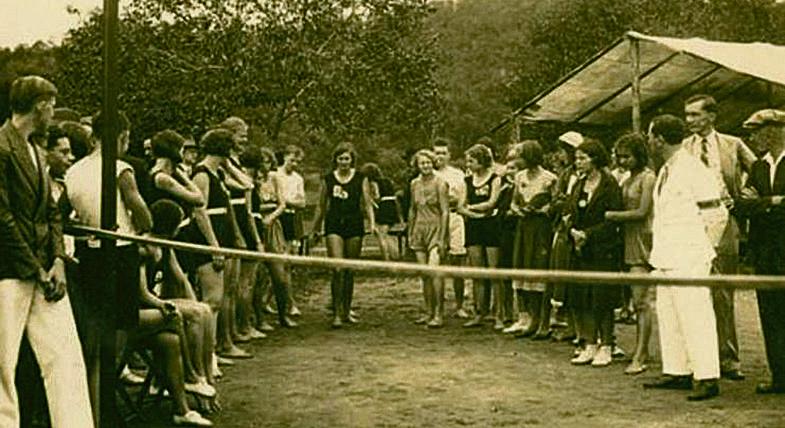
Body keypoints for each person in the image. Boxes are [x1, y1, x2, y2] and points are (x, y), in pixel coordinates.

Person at [0, 75, 93, 428]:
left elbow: (52, 212)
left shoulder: (35, 151)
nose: (54, 112)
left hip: (43, 270)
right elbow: (2, 217)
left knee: (65, 356)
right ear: (39, 105)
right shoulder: (2, 147)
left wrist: (57, 262)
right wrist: (35, 267)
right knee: (2, 365)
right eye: (52, 104)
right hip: (9, 271)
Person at [64, 109, 153, 425]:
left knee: (99, 339)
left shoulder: (72, 171)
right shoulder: (120, 168)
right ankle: (105, 409)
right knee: (114, 336)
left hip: (90, 256)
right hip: (118, 255)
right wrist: (144, 228)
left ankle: (101, 408)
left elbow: (65, 215)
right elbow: (140, 209)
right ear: (121, 136)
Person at [643, 114, 727, 401]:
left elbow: (716, 213)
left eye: (651, 135)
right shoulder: (667, 169)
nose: (649, 140)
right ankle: (678, 370)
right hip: (666, 256)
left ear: (661, 139)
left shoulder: (693, 169)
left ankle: (707, 376)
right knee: (668, 315)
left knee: (696, 316)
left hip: (690, 256)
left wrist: (704, 251)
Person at [683, 94, 755, 381]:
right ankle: (697, 360)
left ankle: (728, 358)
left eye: (695, 115)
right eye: (687, 116)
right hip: (691, 222)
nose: (690, 121)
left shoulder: (732, 144)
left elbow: (760, 170)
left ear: (711, 116)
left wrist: (746, 196)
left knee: (722, 291)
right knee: (692, 290)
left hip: (725, 222)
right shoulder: (683, 148)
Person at [737, 109, 785, 394]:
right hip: (766, 254)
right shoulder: (758, 166)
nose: (752, 137)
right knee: (771, 316)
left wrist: (760, 204)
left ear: (775, 129)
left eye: (756, 131)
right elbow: (741, 204)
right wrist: (774, 203)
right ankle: (779, 376)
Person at [565, 140, 623, 367]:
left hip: (602, 248)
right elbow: (570, 209)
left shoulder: (609, 185)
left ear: (595, 159)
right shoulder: (578, 183)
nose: (577, 162)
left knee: (602, 297)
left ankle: (606, 344)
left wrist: (588, 235)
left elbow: (612, 218)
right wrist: (572, 231)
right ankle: (589, 343)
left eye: (582, 158)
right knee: (582, 296)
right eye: (577, 158)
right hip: (580, 248)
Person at [605, 133, 656, 375]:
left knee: (641, 301)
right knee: (633, 301)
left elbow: (643, 211)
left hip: (641, 240)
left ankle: (642, 353)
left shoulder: (648, 178)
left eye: (627, 156)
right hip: (625, 240)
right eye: (620, 156)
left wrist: (612, 216)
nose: (623, 161)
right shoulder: (626, 178)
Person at [312, 142, 376, 328]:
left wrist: (371, 222)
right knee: (337, 268)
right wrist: (316, 227)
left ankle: (347, 310)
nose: (344, 162)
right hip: (334, 224)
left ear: (352, 160)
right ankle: (337, 313)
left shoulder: (360, 178)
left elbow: (367, 202)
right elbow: (321, 205)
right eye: (340, 159)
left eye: (347, 159)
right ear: (335, 160)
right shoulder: (328, 179)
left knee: (349, 269)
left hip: (354, 224)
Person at [241, 146, 294, 332]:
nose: (264, 165)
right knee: (257, 277)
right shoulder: (247, 179)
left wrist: (271, 217)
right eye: (261, 161)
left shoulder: (274, 178)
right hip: (256, 226)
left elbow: (282, 204)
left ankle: (283, 314)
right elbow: (248, 208)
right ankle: (259, 319)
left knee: (279, 276)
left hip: (273, 227)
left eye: (267, 161)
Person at [510, 141, 557, 338]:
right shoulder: (519, 176)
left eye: (520, 156)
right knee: (524, 273)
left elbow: (556, 203)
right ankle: (532, 319)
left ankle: (544, 322)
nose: (516, 160)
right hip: (524, 227)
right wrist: (518, 210)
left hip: (541, 230)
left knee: (540, 272)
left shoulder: (549, 178)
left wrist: (544, 209)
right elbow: (513, 202)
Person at [459, 143, 504, 329]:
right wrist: (475, 214)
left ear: (482, 161)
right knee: (477, 273)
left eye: (472, 160)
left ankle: (499, 314)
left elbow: (492, 202)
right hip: (474, 227)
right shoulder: (467, 181)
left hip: (492, 227)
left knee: (493, 272)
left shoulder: (495, 178)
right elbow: (461, 206)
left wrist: (473, 208)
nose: (468, 164)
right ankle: (479, 312)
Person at [407, 150, 449, 328]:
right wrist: (410, 231)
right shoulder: (414, 184)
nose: (425, 166)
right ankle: (428, 311)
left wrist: (442, 237)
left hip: (435, 228)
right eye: (422, 163)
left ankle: (439, 313)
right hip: (419, 228)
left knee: (435, 271)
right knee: (424, 274)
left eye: (428, 163)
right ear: (416, 165)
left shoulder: (440, 183)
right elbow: (412, 209)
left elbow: (445, 211)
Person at [432, 138, 470, 318]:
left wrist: (450, 200)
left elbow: (463, 198)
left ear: (449, 155)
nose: (439, 156)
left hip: (455, 218)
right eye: (436, 152)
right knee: (435, 264)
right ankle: (435, 309)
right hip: (434, 221)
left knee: (457, 263)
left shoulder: (457, 174)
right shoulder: (427, 173)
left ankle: (460, 305)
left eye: (443, 153)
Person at [274, 144, 305, 315]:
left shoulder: (298, 178)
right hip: (278, 217)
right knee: (278, 262)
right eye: (292, 160)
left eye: (297, 162)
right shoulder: (275, 175)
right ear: (285, 156)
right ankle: (285, 302)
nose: (294, 164)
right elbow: (278, 200)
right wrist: (286, 201)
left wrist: (288, 202)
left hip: (292, 219)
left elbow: (302, 202)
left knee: (288, 263)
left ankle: (288, 302)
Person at [362, 162, 403, 261]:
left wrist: (371, 201)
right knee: (386, 233)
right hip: (392, 205)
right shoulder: (387, 180)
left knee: (381, 235)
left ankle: (387, 259)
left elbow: (377, 195)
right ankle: (393, 255)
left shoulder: (373, 182)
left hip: (384, 207)